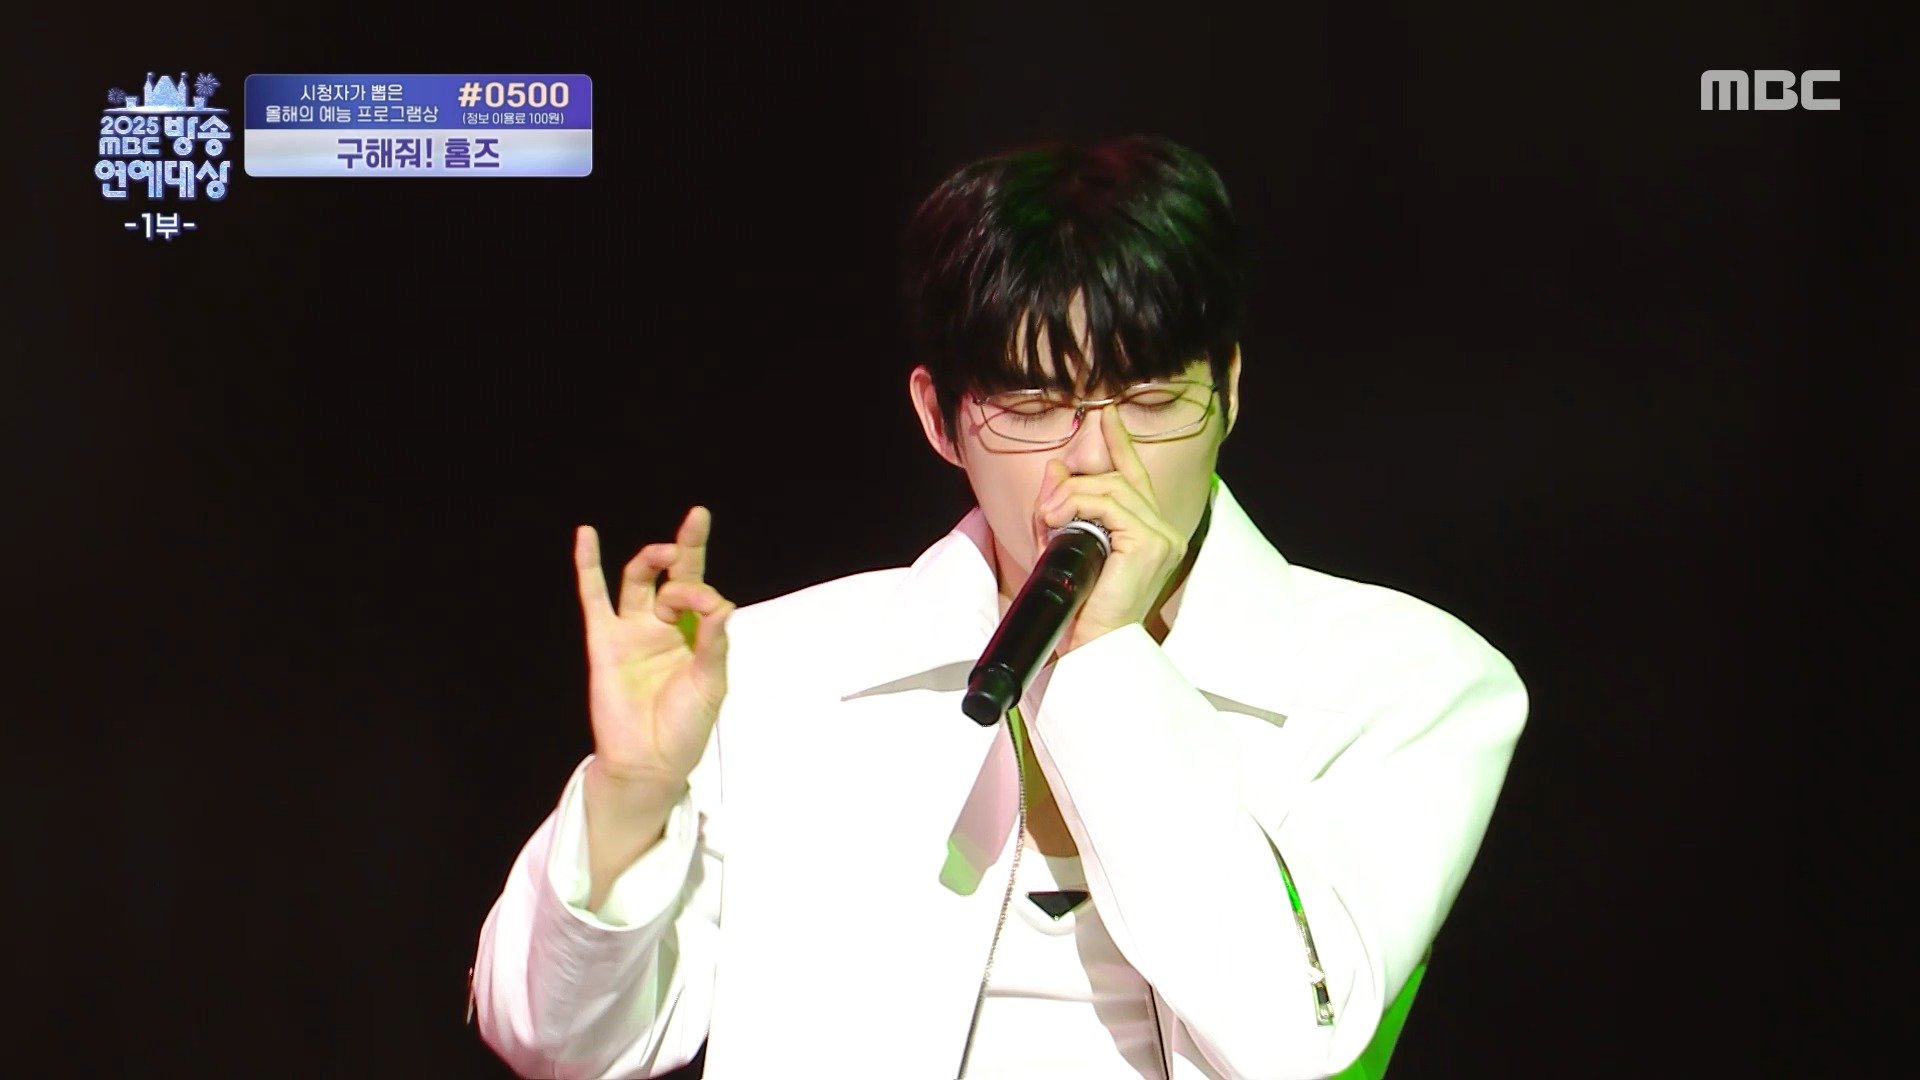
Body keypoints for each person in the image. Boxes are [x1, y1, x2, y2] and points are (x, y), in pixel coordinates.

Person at [469, 135, 1528, 1080]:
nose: (1096, 460)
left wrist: (1106, 653)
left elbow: (1293, 1043)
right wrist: (631, 797)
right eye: (1033, 406)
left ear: (1230, 393)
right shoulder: (775, 671)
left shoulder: (1412, 681)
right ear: (939, 418)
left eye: (1153, 400)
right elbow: (557, 1047)